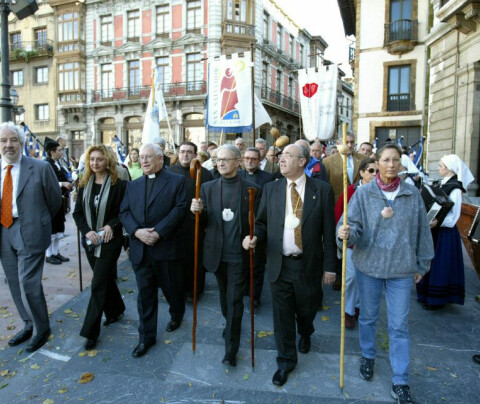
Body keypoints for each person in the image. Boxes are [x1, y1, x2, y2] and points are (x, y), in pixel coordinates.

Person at [337, 143, 434, 404]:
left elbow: (423, 232)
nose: (391, 165)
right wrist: (345, 233)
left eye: (396, 160)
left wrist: (422, 265)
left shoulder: (412, 195)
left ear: (401, 164)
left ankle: (400, 380)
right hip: (369, 266)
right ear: (376, 163)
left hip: (401, 270)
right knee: (367, 318)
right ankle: (368, 356)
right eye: (386, 160)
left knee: (399, 325)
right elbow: (353, 227)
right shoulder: (363, 193)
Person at [243, 144, 337, 387]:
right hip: (279, 263)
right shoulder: (271, 188)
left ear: (303, 161)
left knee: (307, 310)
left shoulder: (322, 190)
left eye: (287, 156)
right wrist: (255, 236)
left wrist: (330, 267)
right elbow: (261, 223)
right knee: (282, 316)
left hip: (308, 265)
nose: (280, 159)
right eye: (280, 156)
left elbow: (328, 230)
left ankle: (306, 332)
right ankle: (285, 361)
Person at [190, 144, 261, 367]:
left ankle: (231, 349)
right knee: (224, 300)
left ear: (238, 162)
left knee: (234, 301)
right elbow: (201, 223)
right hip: (215, 255)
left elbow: (259, 221)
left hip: (238, 256)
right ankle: (229, 323)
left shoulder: (251, 189)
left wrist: (253, 237)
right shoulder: (207, 188)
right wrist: (195, 212)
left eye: (225, 159)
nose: (220, 163)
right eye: (217, 159)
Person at [120, 144, 188, 358]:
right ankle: (146, 337)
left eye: (149, 157)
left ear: (160, 158)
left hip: (166, 249)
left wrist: (158, 232)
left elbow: (180, 209)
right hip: (141, 250)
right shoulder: (133, 185)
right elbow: (124, 212)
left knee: (172, 290)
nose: (144, 161)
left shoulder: (177, 181)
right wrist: (137, 232)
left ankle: (177, 313)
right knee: (145, 296)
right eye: (141, 157)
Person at [0, 122, 62, 352]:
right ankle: (28, 324)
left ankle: (42, 328)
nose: (8, 145)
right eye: (4, 141)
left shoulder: (40, 167)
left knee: (28, 283)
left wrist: (39, 222)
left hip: (30, 231)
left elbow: (55, 201)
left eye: (13, 140)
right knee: (14, 283)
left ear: (21, 142)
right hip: (3, 232)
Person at [73, 145, 126, 350]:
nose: (95, 163)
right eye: (92, 159)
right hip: (90, 241)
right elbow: (77, 213)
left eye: (100, 159)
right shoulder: (84, 183)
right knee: (103, 280)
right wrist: (87, 231)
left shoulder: (119, 185)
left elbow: (123, 211)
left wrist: (111, 225)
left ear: (108, 161)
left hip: (110, 240)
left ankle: (90, 331)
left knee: (97, 283)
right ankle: (116, 310)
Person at [416, 155, 474, 310]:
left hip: (445, 233)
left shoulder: (455, 188)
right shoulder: (444, 184)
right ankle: (427, 295)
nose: (438, 168)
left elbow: (454, 217)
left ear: (449, 168)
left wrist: (437, 222)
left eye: (441, 165)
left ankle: (436, 300)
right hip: (436, 230)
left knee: (440, 264)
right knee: (432, 261)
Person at [334, 157, 377, 329]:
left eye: (377, 171)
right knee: (351, 278)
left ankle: (359, 307)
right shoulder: (350, 191)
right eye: (371, 171)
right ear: (362, 173)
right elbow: (339, 215)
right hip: (352, 243)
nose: (375, 174)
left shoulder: (379, 192)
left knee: (365, 279)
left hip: (371, 244)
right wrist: (343, 235)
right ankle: (348, 311)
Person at [168, 141, 213, 299]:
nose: (185, 154)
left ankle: (195, 290)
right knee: (177, 259)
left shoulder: (205, 173)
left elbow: (209, 199)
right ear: (178, 154)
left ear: (195, 155)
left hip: (196, 223)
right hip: (175, 224)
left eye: (189, 152)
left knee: (195, 258)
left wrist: (203, 209)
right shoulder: (170, 172)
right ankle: (177, 289)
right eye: (182, 151)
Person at [238, 147, 274, 306]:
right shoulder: (237, 175)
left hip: (259, 223)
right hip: (240, 225)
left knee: (257, 264)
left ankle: (255, 296)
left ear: (259, 161)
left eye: (253, 158)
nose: (250, 161)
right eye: (247, 158)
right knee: (242, 262)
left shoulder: (268, 177)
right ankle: (244, 288)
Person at [44, 138, 72, 265]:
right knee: (52, 228)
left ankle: (55, 252)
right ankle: (49, 254)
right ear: (51, 152)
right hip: (51, 202)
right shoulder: (46, 164)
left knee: (59, 227)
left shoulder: (57, 163)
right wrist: (62, 183)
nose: (61, 152)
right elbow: (46, 182)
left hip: (60, 199)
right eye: (59, 150)